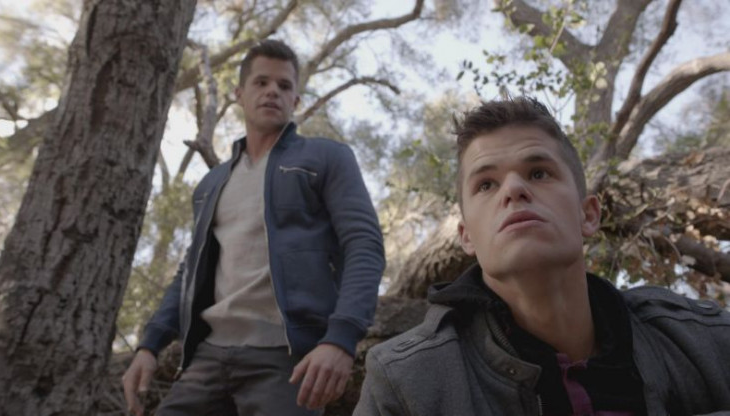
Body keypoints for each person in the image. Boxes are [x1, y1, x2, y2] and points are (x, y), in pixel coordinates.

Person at [353, 96, 730, 416]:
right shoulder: (405, 384)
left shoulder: (708, 341)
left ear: (588, 215)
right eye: (486, 184)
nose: (513, 189)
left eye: (538, 173)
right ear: (467, 237)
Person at [122, 39, 385, 416]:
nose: (272, 91)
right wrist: (149, 345)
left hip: (289, 361)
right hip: (207, 359)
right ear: (239, 94)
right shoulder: (212, 183)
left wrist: (341, 339)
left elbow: (363, 245)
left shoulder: (326, 158)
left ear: (295, 101)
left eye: (284, 85)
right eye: (261, 82)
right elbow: (190, 271)